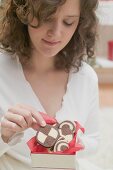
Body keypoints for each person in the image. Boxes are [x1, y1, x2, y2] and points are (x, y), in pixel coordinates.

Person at [0, 0, 101, 170]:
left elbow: (94, 141)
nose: (56, 32)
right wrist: (4, 135)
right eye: (46, 17)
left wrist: (69, 141)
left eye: (68, 22)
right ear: (23, 12)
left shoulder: (85, 77)